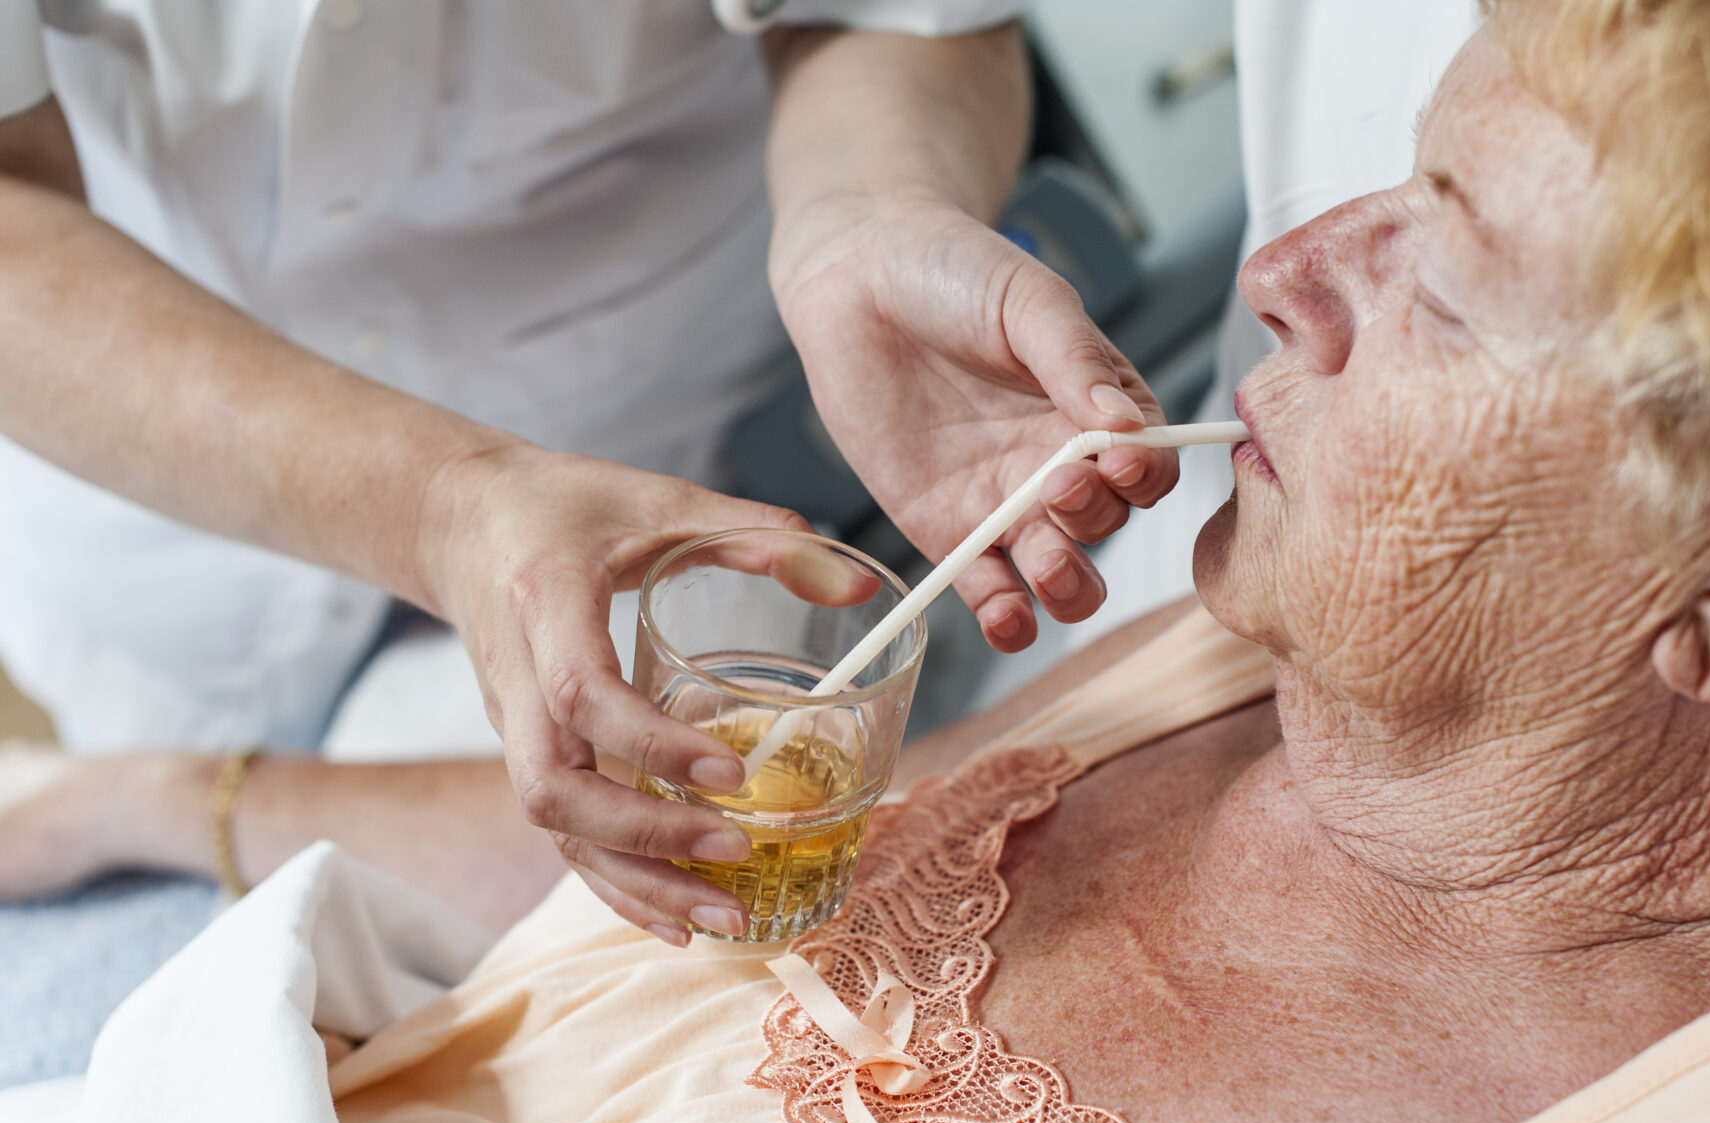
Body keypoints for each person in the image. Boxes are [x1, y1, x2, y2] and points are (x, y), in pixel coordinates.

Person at [21, 1, 1710, 1123]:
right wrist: (163, 798)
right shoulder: (1276, 683)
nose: (1279, 272)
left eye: (1440, 276)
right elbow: (703, 868)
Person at [0, 0, 1178, 929]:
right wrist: (438, 506)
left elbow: (897, 10)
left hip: (649, 447)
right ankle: (127, 801)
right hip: (164, 485)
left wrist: (865, 212)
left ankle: (137, 804)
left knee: (633, 799)